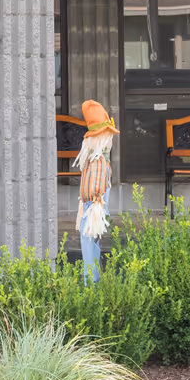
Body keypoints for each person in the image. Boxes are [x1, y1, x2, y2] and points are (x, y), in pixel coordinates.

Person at [70, 99, 118, 281]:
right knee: (89, 244)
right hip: (91, 209)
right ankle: (91, 281)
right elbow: (93, 187)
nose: (111, 140)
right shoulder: (97, 160)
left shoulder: (97, 161)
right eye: (109, 136)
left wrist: (94, 203)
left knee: (89, 244)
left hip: (93, 209)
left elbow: (94, 187)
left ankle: (92, 282)